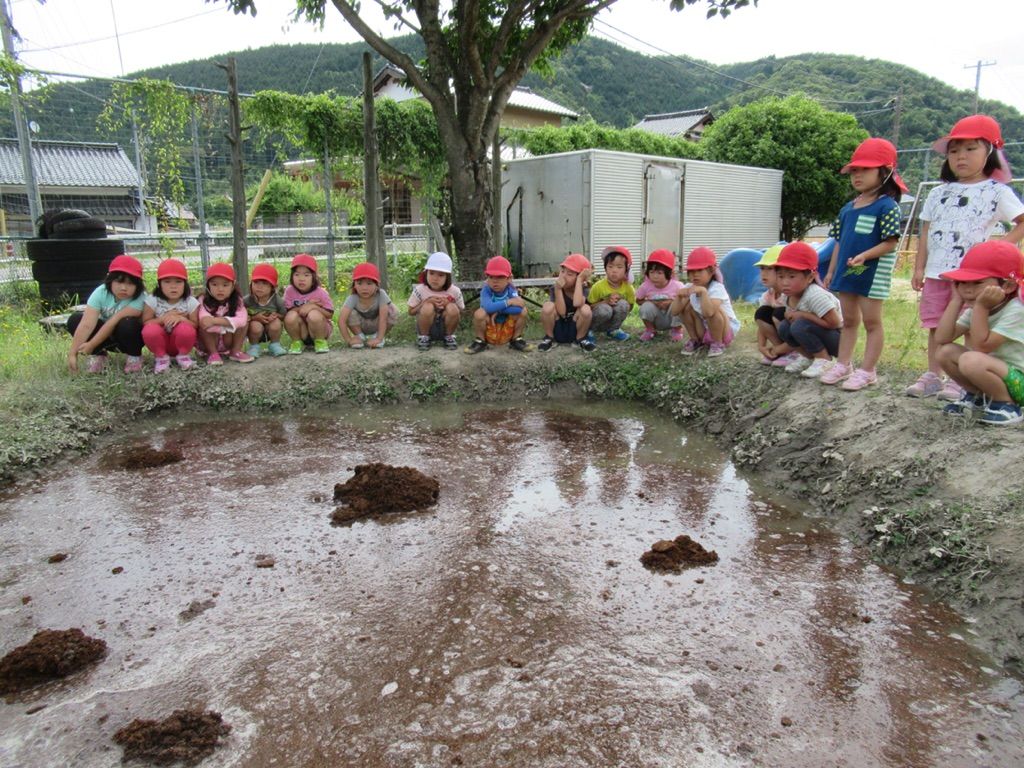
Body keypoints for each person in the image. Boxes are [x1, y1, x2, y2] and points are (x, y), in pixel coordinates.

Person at [908, 115, 1024, 400]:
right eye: (954, 150)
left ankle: (963, 379)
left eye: (971, 149)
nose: (961, 157)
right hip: (938, 273)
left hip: (974, 275)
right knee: (937, 324)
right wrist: (919, 266)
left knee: (973, 321)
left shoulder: (997, 192)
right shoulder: (937, 193)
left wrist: (997, 254)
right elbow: (925, 230)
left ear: (990, 153)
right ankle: (934, 374)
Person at [821, 138, 905, 390]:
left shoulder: (887, 207)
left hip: (872, 273)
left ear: (885, 171)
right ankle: (843, 364)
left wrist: (866, 255)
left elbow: (890, 243)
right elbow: (838, 241)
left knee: (872, 322)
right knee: (848, 320)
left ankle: (867, 370)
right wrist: (832, 270)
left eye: (865, 169)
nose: (857, 175)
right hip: (847, 271)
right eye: (854, 170)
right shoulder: (848, 208)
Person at [935, 241, 1024, 426]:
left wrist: (981, 307)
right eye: (961, 282)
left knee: (971, 359)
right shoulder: (979, 307)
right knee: (945, 352)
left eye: (977, 283)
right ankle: (977, 398)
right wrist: (955, 301)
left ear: (1007, 286)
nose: (967, 289)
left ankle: (1006, 405)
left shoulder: (1016, 309)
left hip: (1020, 382)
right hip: (997, 374)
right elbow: (942, 338)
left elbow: (982, 346)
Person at [66, 254, 146, 373]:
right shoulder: (100, 292)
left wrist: (91, 344)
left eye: (130, 283)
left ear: (138, 285)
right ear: (110, 279)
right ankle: (99, 356)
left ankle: (134, 357)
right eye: (119, 282)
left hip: (128, 338)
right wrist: (72, 353)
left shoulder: (140, 298)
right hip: (106, 337)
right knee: (75, 319)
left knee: (128, 323)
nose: (123, 288)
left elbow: (113, 321)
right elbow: (87, 324)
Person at [773, 242, 843, 378]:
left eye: (791, 276)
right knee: (784, 327)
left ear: (810, 277)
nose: (785, 282)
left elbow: (836, 323)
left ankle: (825, 360)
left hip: (839, 340)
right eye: (781, 276)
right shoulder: (788, 295)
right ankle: (808, 357)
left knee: (799, 325)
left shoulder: (815, 295)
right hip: (819, 334)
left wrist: (804, 315)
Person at [671, 246, 740, 357]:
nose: (695, 274)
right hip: (704, 328)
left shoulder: (717, 288)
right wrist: (679, 297)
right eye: (691, 271)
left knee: (715, 311)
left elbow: (709, 313)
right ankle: (695, 340)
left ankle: (717, 343)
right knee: (685, 308)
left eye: (699, 270)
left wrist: (703, 293)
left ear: (712, 271)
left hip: (724, 331)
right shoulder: (690, 287)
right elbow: (674, 312)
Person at [141, 258, 199, 373]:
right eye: (167, 282)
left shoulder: (190, 301)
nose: (173, 286)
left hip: (180, 343)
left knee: (186, 328)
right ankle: (161, 358)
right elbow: (146, 322)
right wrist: (163, 319)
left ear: (185, 284)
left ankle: (183, 356)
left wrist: (181, 318)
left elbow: (195, 324)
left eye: (178, 282)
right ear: (159, 284)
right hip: (160, 342)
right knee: (150, 329)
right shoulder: (153, 300)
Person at [465, 255, 528, 354]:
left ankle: (516, 339)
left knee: (524, 311)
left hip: (506, 329)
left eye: (500, 277)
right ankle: (480, 341)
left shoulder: (511, 289)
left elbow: (519, 308)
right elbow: (488, 307)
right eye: (491, 277)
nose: (495, 281)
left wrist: (498, 311)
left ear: (509, 278)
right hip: (490, 328)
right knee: (479, 313)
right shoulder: (486, 290)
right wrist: (509, 302)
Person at [538, 253, 596, 351]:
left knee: (585, 309)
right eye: (562, 271)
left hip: (574, 329)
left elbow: (577, 303)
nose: (564, 276)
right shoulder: (555, 288)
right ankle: (549, 338)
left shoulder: (584, 290)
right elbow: (561, 312)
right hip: (558, 327)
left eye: (569, 274)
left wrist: (579, 281)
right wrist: (558, 289)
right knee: (548, 306)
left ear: (580, 278)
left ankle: (580, 340)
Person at [198, 262, 253, 365]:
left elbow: (242, 320)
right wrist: (226, 325)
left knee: (246, 320)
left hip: (228, 339)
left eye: (225, 285)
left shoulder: (237, 301)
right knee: (202, 326)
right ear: (208, 286)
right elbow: (204, 322)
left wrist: (215, 321)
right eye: (214, 284)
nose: (220, 289)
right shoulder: (203, 300)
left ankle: (235, 351)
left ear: (233, 285)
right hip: (211, 340)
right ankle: (212, 353)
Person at [408, 251, 464, 351]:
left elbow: (461, 311)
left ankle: (449, 337)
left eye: (441, 275)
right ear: (426, 273)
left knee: (452, 307)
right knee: (427, 306)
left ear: (448, 277)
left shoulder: (454, 291)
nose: (435, 278)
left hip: (446, 327)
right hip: (425, 327)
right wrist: (425, 302)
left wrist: (449, 303)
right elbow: (411, 312)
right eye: (431, 273)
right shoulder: (420, 290)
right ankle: (424, 338)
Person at [337, 262, 396, 349]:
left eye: (369, 283)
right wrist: (349, 340)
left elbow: (383, 318)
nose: (364, 288)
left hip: (377, 324)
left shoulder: (381, 294)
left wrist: (379, 338)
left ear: (376, 285)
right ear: (354, 285)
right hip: (360, 325)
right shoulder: (353, 298)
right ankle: (360, 337)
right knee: (350, 313)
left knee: (392, 310)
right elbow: (341, 320)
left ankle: (378, 336)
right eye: (360, 283)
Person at [284, 253, 334, 354]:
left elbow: (330, 314)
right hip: (301, 329)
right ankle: (297, 342)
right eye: (297, 274)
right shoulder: (289, 291)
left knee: (314, 314)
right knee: (290, 316)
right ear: (292, 276)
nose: (301, 279)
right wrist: (303, 307)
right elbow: (285, 312)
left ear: (314, 277)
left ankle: (320, 342)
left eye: (306, 275)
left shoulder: (320, 292)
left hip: (320, 329)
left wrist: (313, 307)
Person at [751, 245, 793, 366]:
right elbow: (761, 324)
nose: (764, 273)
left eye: (769, 269)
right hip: (784, 339)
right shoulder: (768, 295)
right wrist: (762, 346)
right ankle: (780, 351)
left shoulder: (791, 295)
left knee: (779, 313)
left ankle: (794, 352)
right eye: (762, 268)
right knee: (761, 313)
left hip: (800, 338)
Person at [587, 245, 635, 341]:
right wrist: (605, 302)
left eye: (619, 267)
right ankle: (589, 331)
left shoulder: (628, 288)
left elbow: (630, 306)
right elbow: (588, 307)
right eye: (610, 266)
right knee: (605, 309)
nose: (614, 270)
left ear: (626, 270)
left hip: (612, 322)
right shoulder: (598, 286)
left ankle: (614, 330)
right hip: (597, 320)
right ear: (605, 268)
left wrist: (620, 301)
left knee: (623, 304)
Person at [636, 249, 685, 341]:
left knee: (679, 304)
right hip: (656, 319)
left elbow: (686, 300)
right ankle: (650, 330)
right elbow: (638, 301)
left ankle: (677, 330)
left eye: (659, 273)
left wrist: (671, 302)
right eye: (652, 272)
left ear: (668, 273)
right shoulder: (645, 286)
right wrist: (652, 302)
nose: (655, 276)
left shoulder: (677, 285)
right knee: (645, 306)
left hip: (672, 318)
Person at [244, 263, 287, 358]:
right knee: (255, 325)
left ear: (272, 287)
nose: (259, 287)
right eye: (256, 283)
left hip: (271, 326)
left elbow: (284, 315)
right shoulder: (247, 300)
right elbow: (242, 315)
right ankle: (254, 347)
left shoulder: (276, 299)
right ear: (251, 284)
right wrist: (254, 317)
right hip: (255, 328)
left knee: (276, 324)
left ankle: (274, 344)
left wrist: (275, 316)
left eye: (264, 283)